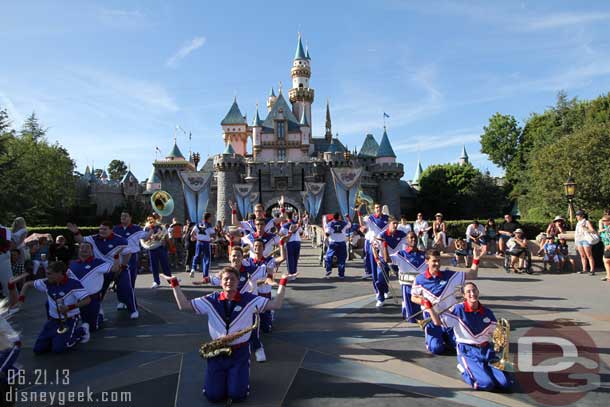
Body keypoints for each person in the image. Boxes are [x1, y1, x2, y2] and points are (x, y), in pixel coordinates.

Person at [163, 266, 293, 403]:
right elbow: (184, 305)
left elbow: (276, 304)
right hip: (217, 352)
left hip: (239, 352)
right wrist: (174, 284)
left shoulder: (249, 299)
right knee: (213, 396)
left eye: (232, 279)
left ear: (238, 282)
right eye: (225, 279)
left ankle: (239, 378)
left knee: (237, 395)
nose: (229, 282)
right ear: (220, 282)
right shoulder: (211, 300)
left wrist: (283, 281)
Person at [427, 282, 510, 391]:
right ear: (464, 296)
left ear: (478, 292)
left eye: (474, 290)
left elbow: (495, 333)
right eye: (468, 292)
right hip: (468, 351)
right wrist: (430, 308)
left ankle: (482, 369)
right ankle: (464, 369)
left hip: (487, 351)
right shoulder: (458, 309)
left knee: (505, 384)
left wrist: (502, 336)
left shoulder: (487, 312)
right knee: (487, 384)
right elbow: (438, 322)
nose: (472, 294)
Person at [411, 248, 481, 355]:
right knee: (436, 349)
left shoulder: (449, 275)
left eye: (438, 260)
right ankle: (434, 339)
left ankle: (445, 336)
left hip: (449, 317)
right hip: (431, 318)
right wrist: (423, 302)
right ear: (427, 261)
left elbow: (473, 275)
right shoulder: (419, 279)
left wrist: (476, 259)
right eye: (434, 261)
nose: (437, 263)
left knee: (461, 345)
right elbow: (413, 297)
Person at [18, 261, 91, 353]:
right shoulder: (47, 283)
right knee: (38, 350)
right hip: (53, 320)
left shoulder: (73, 284)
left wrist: (69, 307)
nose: (47, 276)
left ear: (60, 273)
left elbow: (87, 300)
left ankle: (82, 331)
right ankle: (58, 338)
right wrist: (21, 299)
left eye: (49, 274)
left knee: (59, 349)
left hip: (69, 319)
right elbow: (27, 284)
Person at [67, 242, 113, 331]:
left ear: (92, 251)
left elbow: (115, 268)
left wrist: (116, 257)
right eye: (82, 247)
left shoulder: (98, 263)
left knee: (93, 328)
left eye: (87, 247)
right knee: (73, 325)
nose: (84, 249)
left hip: (92, 299)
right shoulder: (72, 264)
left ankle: (99, 314)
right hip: (76, 299)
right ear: (78, 250)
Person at [113, 211, 145, 313]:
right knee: (118, 279)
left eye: (126, 216)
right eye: (122, 216)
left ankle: (131, 302)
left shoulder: (136, 228)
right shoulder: (116, 229)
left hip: (131, 256)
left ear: (130, 218)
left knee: (130, 279)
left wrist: (152, 229)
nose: (123, 218)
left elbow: (146, 237)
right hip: (118, 256)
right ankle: (121, 301)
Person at [390, 231, 426, 321]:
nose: (413, 239)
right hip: (407, 284)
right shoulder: (401, 254)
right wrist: (384, 245)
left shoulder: (423, 254)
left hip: (420, 285)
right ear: (407, 240)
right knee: (410, 315)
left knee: (419, 309)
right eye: (411, 237)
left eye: (415, 237)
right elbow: (387, 259)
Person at [374, 216, 406, 307]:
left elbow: (408, 245)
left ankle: (406, 299)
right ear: (389, 224)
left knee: (404, 280)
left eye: (397, 223)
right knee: (380, 281)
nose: (395, 225)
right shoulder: (382, 235)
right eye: (393, 223)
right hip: (383, 260)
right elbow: (374, 247)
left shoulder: (402, 234)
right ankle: (380, 298)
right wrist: (377, 259)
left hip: (397, 260)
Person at [359, 203, 389, 280]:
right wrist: (358, 213)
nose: (378, 209)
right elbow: (362, 224)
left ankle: (384, 283)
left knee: (384, 264)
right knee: (373, 263)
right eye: (376, 207)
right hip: (374, 245)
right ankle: (375, 280)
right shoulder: (370, 218)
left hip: (383, 244)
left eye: (379, 207)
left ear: (381, 208)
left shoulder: (387, 218)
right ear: (374, 209)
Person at [142, 215, 173, 289]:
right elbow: (143, 238)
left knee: (165, 264)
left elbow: (165, 236)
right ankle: (156, 281)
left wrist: (169, 245)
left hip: (160, 247)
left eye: (152, 218)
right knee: (154, 265)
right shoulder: (146, 228)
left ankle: (170, 281)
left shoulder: (161, 226)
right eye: (148, 218)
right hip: (152, 248)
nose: (150, 219)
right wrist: (150, 238)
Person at [324, 213, 351, 279]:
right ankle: (341, 274)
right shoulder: (344, 223)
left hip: (333, 243)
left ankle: (329, 269)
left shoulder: (330, 224)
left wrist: (326, 237)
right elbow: (350, 225)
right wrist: (348, 217)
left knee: (328, 257)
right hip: (342, 243)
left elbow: (327, 233)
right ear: (339, 217)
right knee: (342, 259)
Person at [190, 213, 216, 278]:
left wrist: (197, 238)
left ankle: (193, 268)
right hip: (206, 243)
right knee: (206, 258)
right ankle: (205, 275)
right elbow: (214, 234)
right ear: (208, 218)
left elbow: (192, 233)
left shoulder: (198, 224)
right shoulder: (209, 225)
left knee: (197, 255)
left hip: (198, 242)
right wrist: (212, 239)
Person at [279, 210, 301, 278]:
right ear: (292, 215)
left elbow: (281, 233)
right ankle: (294, 272)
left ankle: (291, 274)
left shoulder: (285, 225)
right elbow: (301, 232)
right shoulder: (296, 224)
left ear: (286, 216)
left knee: (290, 258)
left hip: (289, 242)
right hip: (297, 241)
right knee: (295, 258)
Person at [574, 210, 597, 275]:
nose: (577, 216)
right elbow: (576, 234)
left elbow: (592, 230)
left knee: (589, 255)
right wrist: (576, 243)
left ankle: (592, 270)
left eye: (578, 215)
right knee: (582, 255)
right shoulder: (578, 223)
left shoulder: (586, 222)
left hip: (586, 240)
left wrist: (585, 228)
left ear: (582, 216)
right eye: (577, 215)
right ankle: (584, 269)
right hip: (579, 240)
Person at [0, 225, 12, 299]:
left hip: (2, 255)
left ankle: (12, 302)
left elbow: (8, 244)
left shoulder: (4, 230)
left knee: (7, 282)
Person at [599, 215, 610, 282]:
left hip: (608, 246)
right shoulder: (606, 227)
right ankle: (608, 275)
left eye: (604, 221)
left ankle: (608, 276)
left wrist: (609, 246)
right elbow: (600, 229)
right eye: (603, 221)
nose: (603, 222)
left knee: (606, 261)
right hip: (606, 246)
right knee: (606, 260)